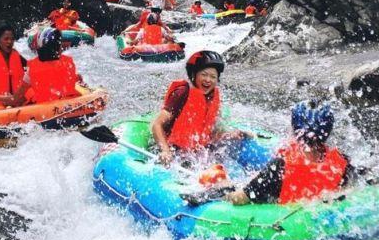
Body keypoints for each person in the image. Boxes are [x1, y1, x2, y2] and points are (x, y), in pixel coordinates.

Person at [224, 100, 355, 205]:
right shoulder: (341, 162)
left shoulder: (280, 166)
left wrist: (226, 191)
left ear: (294, 128)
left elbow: (240, 199)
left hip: (288, 229)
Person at [151, 51, 248, 166]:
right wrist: (165, 151)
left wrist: (230, 135)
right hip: (175, 151)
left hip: (198, 152)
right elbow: (157, 124)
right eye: (204, 74)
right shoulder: (182, 93)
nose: (208, 80)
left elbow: (211, 133)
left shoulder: (213, 98)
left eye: (213, 77)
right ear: (194, 74)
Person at [0, 27, 81, 106]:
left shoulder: (32, 69)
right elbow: (69, 80)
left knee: (28, 96)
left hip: (45, 111)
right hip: (72, 106)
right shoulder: (68, 62)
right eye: (59, 44)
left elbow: (15, 99)